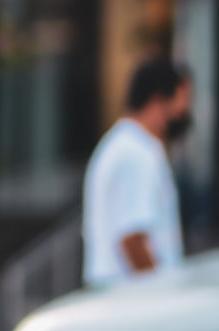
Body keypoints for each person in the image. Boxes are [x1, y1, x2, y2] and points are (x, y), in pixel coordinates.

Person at [82, 56, 193, 285]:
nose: (185, 112)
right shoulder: (137, 152)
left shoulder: (121, 144)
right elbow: (132, 239)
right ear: (157, 101)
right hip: (130, 299)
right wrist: (161, 292)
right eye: (182, 102)